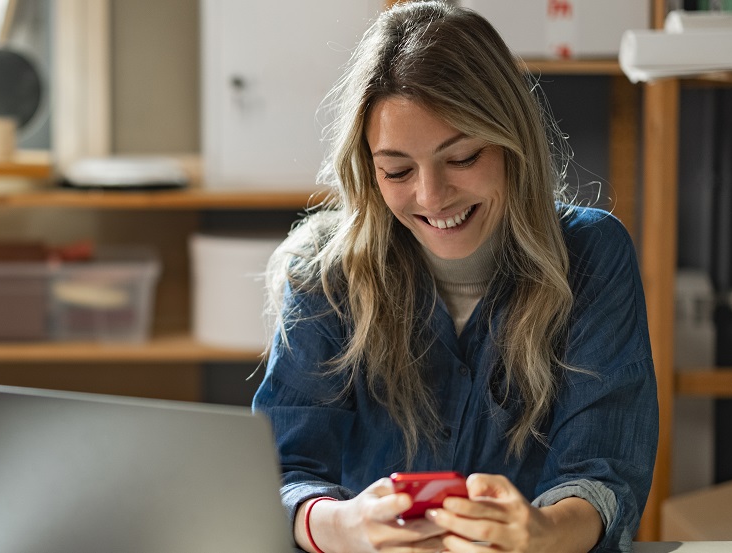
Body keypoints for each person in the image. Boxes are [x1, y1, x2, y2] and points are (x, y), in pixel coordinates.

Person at [251, 2, 658, 553]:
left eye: (462, 157)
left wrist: (543, 532)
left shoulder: (591, 254)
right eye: (397, 170)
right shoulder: (325, 273)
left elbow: (604, 473)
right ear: (368, 170)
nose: (432, 197)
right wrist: (343, 526)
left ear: (513, 142)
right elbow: (277, 472)